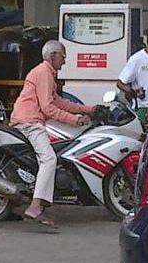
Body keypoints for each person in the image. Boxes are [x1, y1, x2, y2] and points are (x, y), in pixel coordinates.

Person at [10, 40, 94, 227]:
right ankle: (34, 206)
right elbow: (48, 108)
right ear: (53, 55)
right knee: (49, 159)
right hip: (29, 122)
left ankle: (42, 201)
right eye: (63, 56)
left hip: (31, 120)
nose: (64, 61)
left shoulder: (46, 73)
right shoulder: (44, 73)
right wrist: (75, 120)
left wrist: (88, 109)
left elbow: (59, 101)